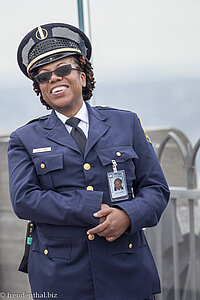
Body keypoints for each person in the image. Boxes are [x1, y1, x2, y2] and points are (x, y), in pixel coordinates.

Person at [8, 22, 170, 300]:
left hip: (126, 272)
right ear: (40, 89)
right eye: (44, 77)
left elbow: (156, 189)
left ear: (82, 76)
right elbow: (24, 199)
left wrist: (127, 216)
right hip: (61, 278)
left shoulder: (126, 123)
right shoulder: (24, 138)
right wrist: (90, 206)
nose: (54, 79)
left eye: (62, 70)